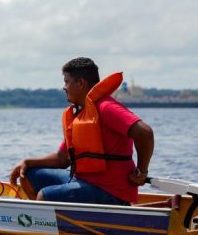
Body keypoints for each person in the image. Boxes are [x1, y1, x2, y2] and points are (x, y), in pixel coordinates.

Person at [9, 57, 154, 205]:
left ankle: (48, 221)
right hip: (83, 181)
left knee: (45, 196)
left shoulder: (106, 107)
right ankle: (57, 220)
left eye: (66, 81)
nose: (64, 87)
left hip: (111, 191)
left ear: (80, 83)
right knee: (27, 175)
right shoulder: (82, 113)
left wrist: (141, 172)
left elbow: (145, 133)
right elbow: (62, 158)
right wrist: (27, 162)